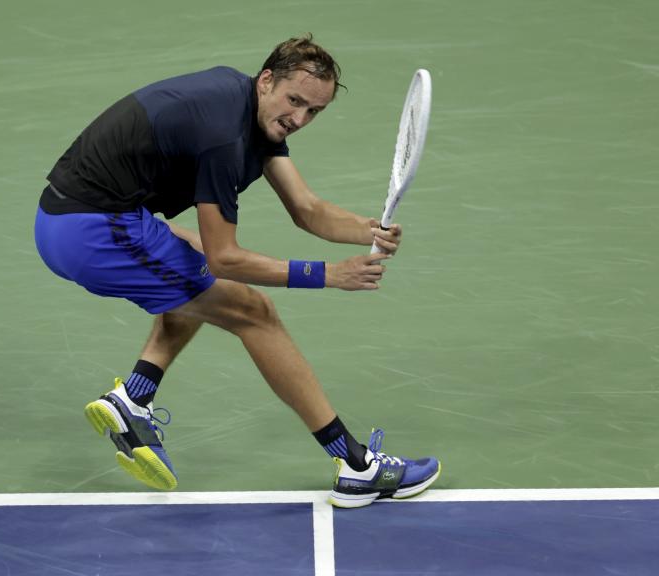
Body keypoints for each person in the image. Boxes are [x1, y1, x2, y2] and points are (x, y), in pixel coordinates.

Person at [34, 34, 440, 508]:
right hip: (90, 231)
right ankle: (355, 466)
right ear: (267, 80)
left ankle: (133, 399)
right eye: (295, 102)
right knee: (252, 309)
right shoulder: (225, 137)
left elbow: (306, 209)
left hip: (80, 219)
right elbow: (227, 257)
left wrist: (368, 231)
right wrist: (330, 274)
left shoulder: (249, 106)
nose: (300, 119)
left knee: (192, 266)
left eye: (314, 111)